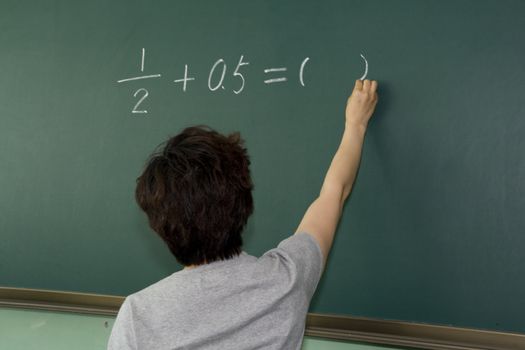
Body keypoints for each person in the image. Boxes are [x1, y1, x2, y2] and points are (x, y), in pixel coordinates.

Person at [108, 79, 378, 350]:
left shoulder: (138, 315)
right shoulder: (285, 281)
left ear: (160, 227)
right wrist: (356, 124)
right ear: (245, 201)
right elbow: (334, 194)